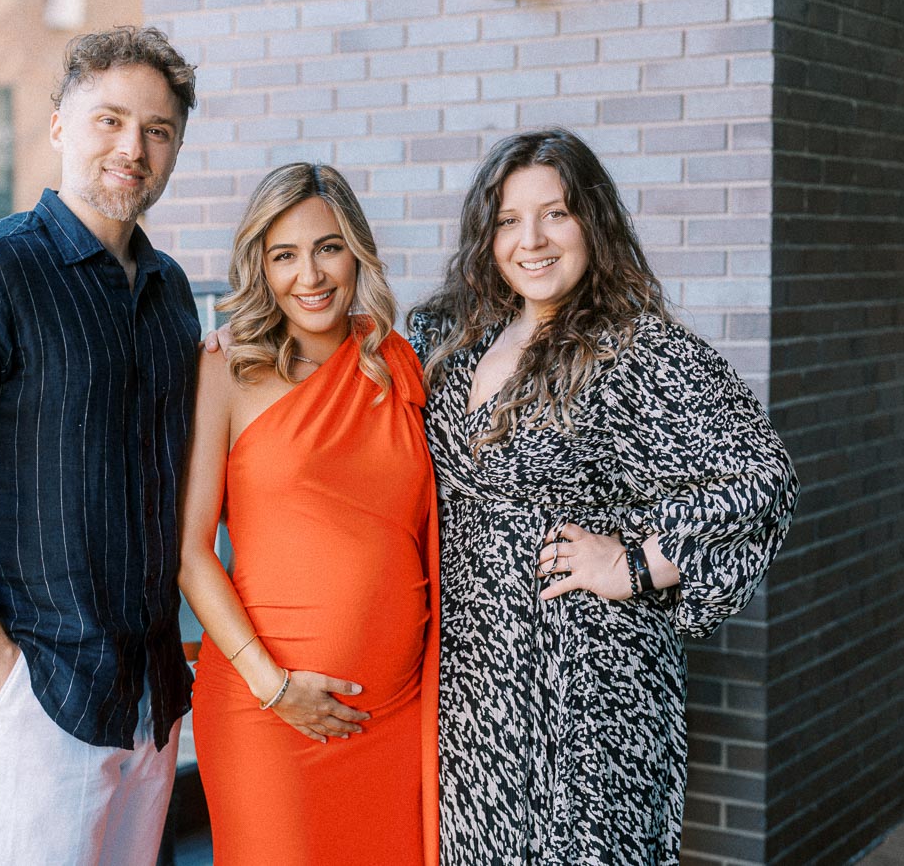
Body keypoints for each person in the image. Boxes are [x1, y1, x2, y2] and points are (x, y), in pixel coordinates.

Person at [408, 127, 798, 864]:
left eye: (555, 213)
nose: (532, 240)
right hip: (475, 689)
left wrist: (639, 564)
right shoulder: (457, 340)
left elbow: (761, 479)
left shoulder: (637, 348)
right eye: (508, 220)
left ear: (593, 221)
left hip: (592, 688)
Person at [0, 26, 199, 865]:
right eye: (109, 120)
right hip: (34, 690)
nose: (133, 147)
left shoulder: (170, 295)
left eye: (157, 131)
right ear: (59, 124)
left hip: (148, 691)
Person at [179, 162, 440, 865]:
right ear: (260, 266)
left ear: (356, 249)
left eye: (327, 247)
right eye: (284, 255)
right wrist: (275, 687)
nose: (310, 275)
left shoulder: (400, 364)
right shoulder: (226, 368)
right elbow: (191, 552)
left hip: (397, 715)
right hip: (267, 713)